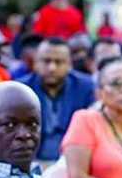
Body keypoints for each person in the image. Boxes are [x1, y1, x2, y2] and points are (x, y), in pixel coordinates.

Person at [20, 37, 96, 165]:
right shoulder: (22, 89)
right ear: (36, 63)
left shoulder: (86, 87)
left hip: (75, 162)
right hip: (32, 162)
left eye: (58, 62)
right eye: (46, 61)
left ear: (69, 64)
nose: (52, 68)